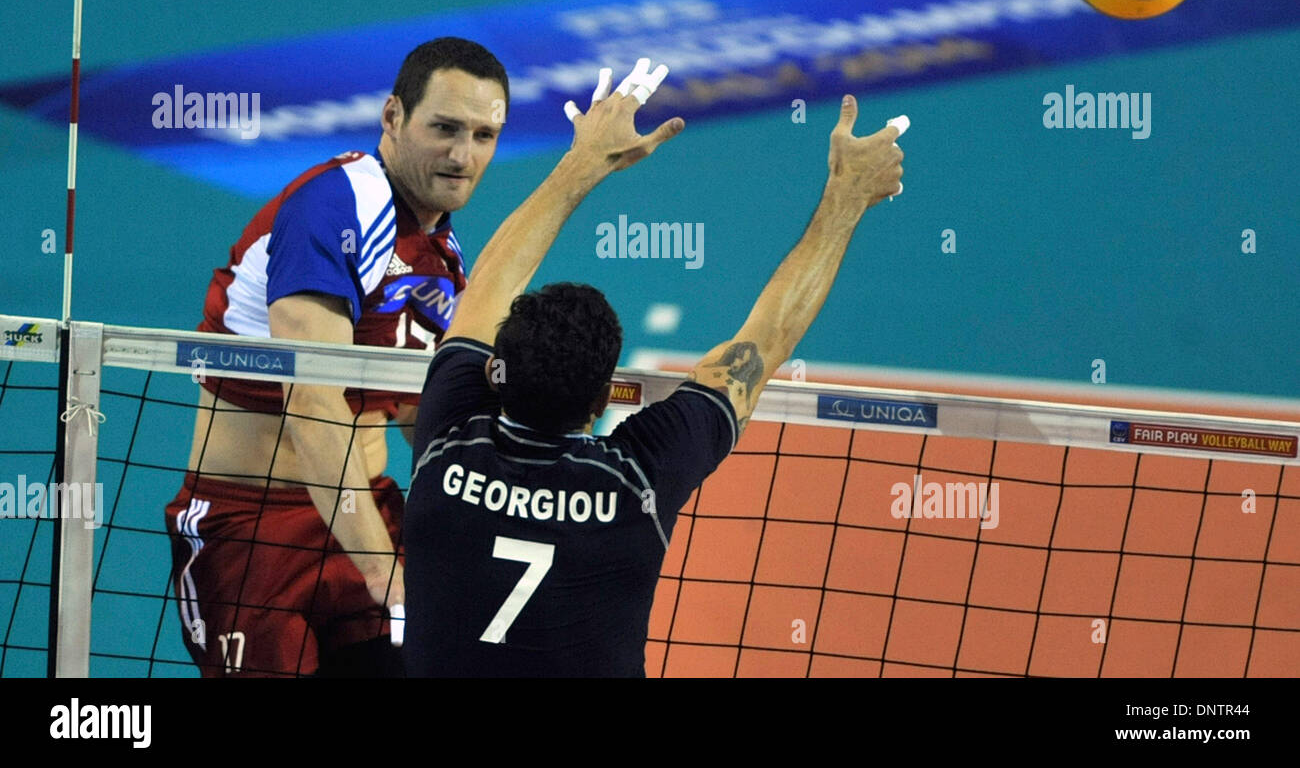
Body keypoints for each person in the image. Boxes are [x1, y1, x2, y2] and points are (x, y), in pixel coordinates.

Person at [402, 63, 905, 676]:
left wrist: (585, 159)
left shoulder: (445, 446)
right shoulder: (635, 481)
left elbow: (485, 288)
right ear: (601, 401)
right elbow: (766, 343)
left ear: (494, 373)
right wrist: (845, 199)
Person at [163, 37, 509, 677]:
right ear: (393, 118)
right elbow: (312, 399)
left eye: (484, 135)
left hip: (366, 512)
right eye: (445, 128)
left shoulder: (440, 256)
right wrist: (386, 578)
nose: (464, 156)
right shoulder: (338, 205)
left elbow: (417, 412)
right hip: (256, 534)